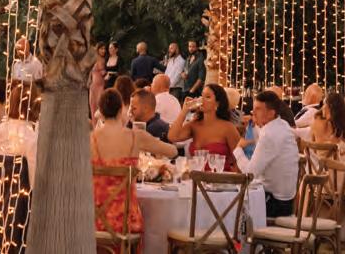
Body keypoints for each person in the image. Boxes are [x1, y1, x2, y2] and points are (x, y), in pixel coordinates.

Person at [91, 89, 177, 243]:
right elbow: (173, 151)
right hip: (126, 222)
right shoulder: (136, 136)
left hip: (93, 220)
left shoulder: (90, 139)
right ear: (120, 110)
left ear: (101, 112)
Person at [234, 90, 299, 218]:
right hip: (288, 202)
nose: (253, 113)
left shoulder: (269, 134)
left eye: (258, 109)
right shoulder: (283, 125)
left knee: (231, 204)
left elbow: (250, 174)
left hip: (274, 204)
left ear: (271, 113)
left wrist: (238, 149)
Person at [167, 82, 240, 171]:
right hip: (197, 177)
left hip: (221, 178)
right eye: (202, 96)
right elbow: (172, 137)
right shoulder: (194, 125)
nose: (202, 100)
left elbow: (239, 159)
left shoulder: (228, 127)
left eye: (207, 97)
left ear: (217, 103)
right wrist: (184, 111)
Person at [0, 80, 39, 177]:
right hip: (20, 187)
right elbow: (34, 181)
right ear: (36, 106)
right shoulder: (32, 140)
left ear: (10, 103)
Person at [309, 91, 345, 161]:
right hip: (337, 166)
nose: (323, 107)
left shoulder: (316, 122)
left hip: (318, 166)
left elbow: (315, 151)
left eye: (325, 104)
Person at [90, 42, 108, 116]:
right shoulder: (94, 59)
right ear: (97, 49)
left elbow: (103, 72)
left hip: (101, 84)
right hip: (94, 85)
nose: (103, 50)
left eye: (104, 49)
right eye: (101, 49)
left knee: (100, 105)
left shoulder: (104, 59)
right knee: (93, 105)